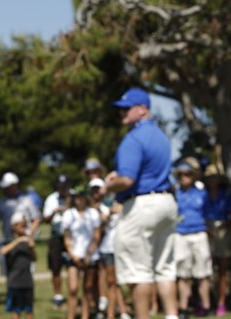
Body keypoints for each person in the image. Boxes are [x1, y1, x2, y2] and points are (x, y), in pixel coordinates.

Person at [103, 86, 178, 319]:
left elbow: (127, 180)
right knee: (165, 268)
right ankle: (173, 315)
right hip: (166, 203)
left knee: (138, 272)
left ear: (143, 110)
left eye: (127, 108)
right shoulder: (160, 136)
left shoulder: (133, 139)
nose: (122, 113)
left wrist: (108, 186)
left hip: (141, 205)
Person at [173, 158, 212, 317]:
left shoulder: (203, 194)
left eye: (187, 174)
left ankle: (207, 307)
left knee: (202, 273)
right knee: (183, 274)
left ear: (193, 175)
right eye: (181, 174)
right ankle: (183, 309)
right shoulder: (174, 194)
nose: (184, 177)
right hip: (180, 234)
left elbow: (208, 213)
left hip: (199, 234)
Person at [90, 178, 131, 319]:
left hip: (120, 246)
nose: (97, 192)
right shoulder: (95, 208)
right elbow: (98, 226)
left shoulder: (119, 201)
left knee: (117, 281)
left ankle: (121, 310)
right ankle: (110, 312)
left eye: (98, 188)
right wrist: (107, 216)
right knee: (110, 281)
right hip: (105, 248)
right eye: (94, 189)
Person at [0, 172, 41, 274]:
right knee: (10, 270)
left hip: (25, 240)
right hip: (9, 240)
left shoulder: (27, 200)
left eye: (8, 187)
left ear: (14, 185)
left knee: (27, 269)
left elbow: (36, 219)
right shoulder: (2, 202)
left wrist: (29, 235)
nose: (6, 189)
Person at [202, 164, 231, 317]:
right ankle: (207, 303)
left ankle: (222, 302)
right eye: (210, 177)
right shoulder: (203, 195)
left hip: (224, 232)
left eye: (215, 177)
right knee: (207, 270)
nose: (212, 180)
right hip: (206, 232)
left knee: (223, 270)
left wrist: (225, 225)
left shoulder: (226, 195)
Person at [63, 185, 102, 319]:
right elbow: (67, 237)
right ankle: (71, 316)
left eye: (80, 197)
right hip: (74, 254)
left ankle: (85, 315)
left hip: (89, 255)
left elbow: (97, 236)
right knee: (73, 288)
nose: (78, 200)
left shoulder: (93, 213)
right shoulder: (69, 214)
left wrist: (89, 253)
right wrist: (73, 254)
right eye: (76, 197)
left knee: (88, 288)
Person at [42, 173, 70, 310]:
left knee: (73, 267)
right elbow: (45, 219)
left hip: (71, 236)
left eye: (65, 186)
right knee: (55, 267)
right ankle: (58, 296)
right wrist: (55, 212)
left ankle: (72, 293)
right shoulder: (51, 199)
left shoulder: (74, 197)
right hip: (56, 236)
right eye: (60, 186)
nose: (63, 189)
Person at [0, 212, 36, 319]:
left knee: (29, 308)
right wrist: (19, 240)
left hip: (27, 280)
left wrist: (32, 247)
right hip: (14, 280)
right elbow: (3, 251)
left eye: (25, 225)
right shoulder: (8, 239)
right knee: (15, 308)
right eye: (22, 225)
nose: (24, 228)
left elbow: (34, 258)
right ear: (14, 226)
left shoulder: (27, 239)